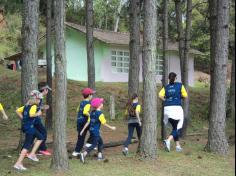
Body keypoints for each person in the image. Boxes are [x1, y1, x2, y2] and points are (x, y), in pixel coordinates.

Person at [14, 90, 44, 171]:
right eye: (39, 99)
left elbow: (17, 111)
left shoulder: (26, 106)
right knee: (26, 146)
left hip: (27, 127)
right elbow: (31, 114)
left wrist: (23, 118)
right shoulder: (34, 106)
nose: (39, 101)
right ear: (36, 99)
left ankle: (31, 155)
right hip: (29, 128)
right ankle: (18, 163)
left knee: (40, 137)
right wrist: (38, 114)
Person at [79, 98, 116, 163]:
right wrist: (111, 127)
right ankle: (84, 154)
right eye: (102, 103)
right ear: (99, 105)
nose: (102, 104)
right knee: (94, 144)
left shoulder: (92, 113)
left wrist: (82, 130)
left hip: (91, 130)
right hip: (95, 132)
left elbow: (88, 122)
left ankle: (99, 156)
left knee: (100, 142)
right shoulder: (100, 114)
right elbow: (104, 123)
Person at [159, 72, 188, 152]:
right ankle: (168, 140)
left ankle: (178, 146)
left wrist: (166, 100)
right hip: (176, 108)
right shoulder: (180, 85)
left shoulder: (166, 87)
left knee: (175, 127)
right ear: (175, 78)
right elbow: (185, 95)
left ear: (169, 79)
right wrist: (179, 97)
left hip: (167, 109)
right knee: (179, 125)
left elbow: (160, 95)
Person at [72, 88, 96, 157]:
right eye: (92, 95)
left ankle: (76, 151)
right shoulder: (88, 103)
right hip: (85, 121)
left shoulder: (81, 102)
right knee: (93, 131)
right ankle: (89, 143)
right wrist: (89, 114)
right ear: (89, 95)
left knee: (81, 137)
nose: (92, 96)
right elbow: (85, 112)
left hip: (79, 121)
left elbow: (77, 110)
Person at [33, 83, 52, 156]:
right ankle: (42, 149)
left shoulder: (38, 96)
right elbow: (34, 106)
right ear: (44, 90)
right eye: (47, 90)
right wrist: (43, 107)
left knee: (33, 134)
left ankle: (24, 150)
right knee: (43, 132)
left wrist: (42, 107)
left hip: (34, 118)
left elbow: (36, 106)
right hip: (35, 118)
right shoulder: (39, 96)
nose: (47, 91)